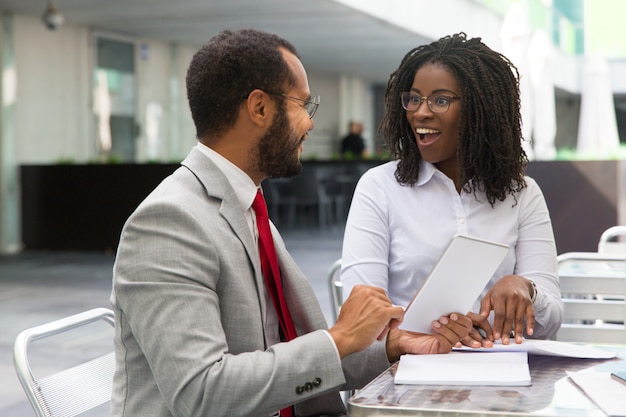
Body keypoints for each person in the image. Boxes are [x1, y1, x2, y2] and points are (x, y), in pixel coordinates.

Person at [110, 29, 473, 417]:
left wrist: (391, 347)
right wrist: (340, 338)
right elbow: (202, 394)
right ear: (260, 108)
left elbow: (298, 354)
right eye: (303, 104)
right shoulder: (170, 221)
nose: (310, 123)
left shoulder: (246, 205)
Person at [341, 32, 563, 348]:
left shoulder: (523, 194)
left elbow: (551, 319)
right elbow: (358, 322)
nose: (420, 112)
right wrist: (419, 332)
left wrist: (526, 290)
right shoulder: (379, 188)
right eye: (414, 98)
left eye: (440, 100)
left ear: (481, 110)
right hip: (408, 375)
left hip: (501, 376)